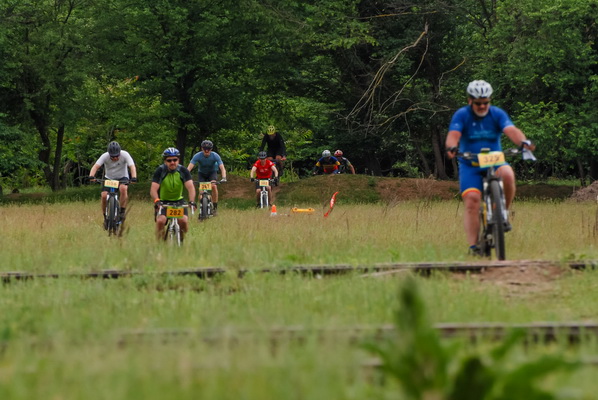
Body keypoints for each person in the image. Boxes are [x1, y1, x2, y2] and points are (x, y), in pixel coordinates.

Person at [445, 80, 535, 255]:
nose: (482, 106)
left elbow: (511, 130)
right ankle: (473, 247)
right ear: (470, 101)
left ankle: (502, 213)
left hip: (494, 160)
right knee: (472, 200)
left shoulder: (496, 113)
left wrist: (523, 142)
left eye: (485, 102)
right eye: (478, 103)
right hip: (470, 164)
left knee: (508, 174)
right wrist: (451, 147)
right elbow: (453, 134)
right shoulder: (462, 115)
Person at [150, 148, 196, 241]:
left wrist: (192, 201)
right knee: (160, 221)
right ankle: (161, 245)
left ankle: (180, 241)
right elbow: (153, 189)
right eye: (169, 160)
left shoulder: (183, 171)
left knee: (183, 221)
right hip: (163, 202)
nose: (172, 162)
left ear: (178, 160)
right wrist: (157, 201)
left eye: (175, 160)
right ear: (165, 161)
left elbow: (191, 187)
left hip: (179, 202)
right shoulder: (160, 170)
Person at [88, 141, 137, 224]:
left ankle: (122, 211)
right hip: (109, 178)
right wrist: (91, 176)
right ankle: (105, 216)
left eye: (117, 156)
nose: (115, 158)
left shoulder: (125, 154)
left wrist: (134, 177)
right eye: (112, 157)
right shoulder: (104, 156)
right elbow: (95, 166)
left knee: (123, 189)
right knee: (104, 196)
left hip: (122, 177)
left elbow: (132, 167)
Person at [187, 140, 227, 215]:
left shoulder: (215, 155)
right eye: (205, 149)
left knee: (214, 186)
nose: (206, 151)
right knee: (201, 192)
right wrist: (186, 176)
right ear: (202, 148)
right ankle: (202, 207)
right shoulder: (197, 156)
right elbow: (189, 167)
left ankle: (215, 207)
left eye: (208, 149)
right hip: (201, 173)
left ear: (211, 149)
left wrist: (224, 177)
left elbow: (222, 167)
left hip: (212, 173)